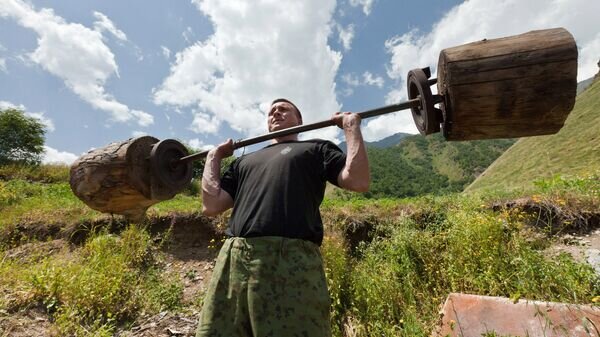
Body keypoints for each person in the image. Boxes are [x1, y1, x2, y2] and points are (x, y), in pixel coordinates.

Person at [196, 98, 369, 337]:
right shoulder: (243, 162)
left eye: (284, 109)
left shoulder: (316, 148)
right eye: (271, 111)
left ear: (299, 120)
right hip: (234, 259)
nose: (276, 112)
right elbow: (211, 205)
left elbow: (358, 180)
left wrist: (351, 127)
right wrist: (213, 157)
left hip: (289, 261)